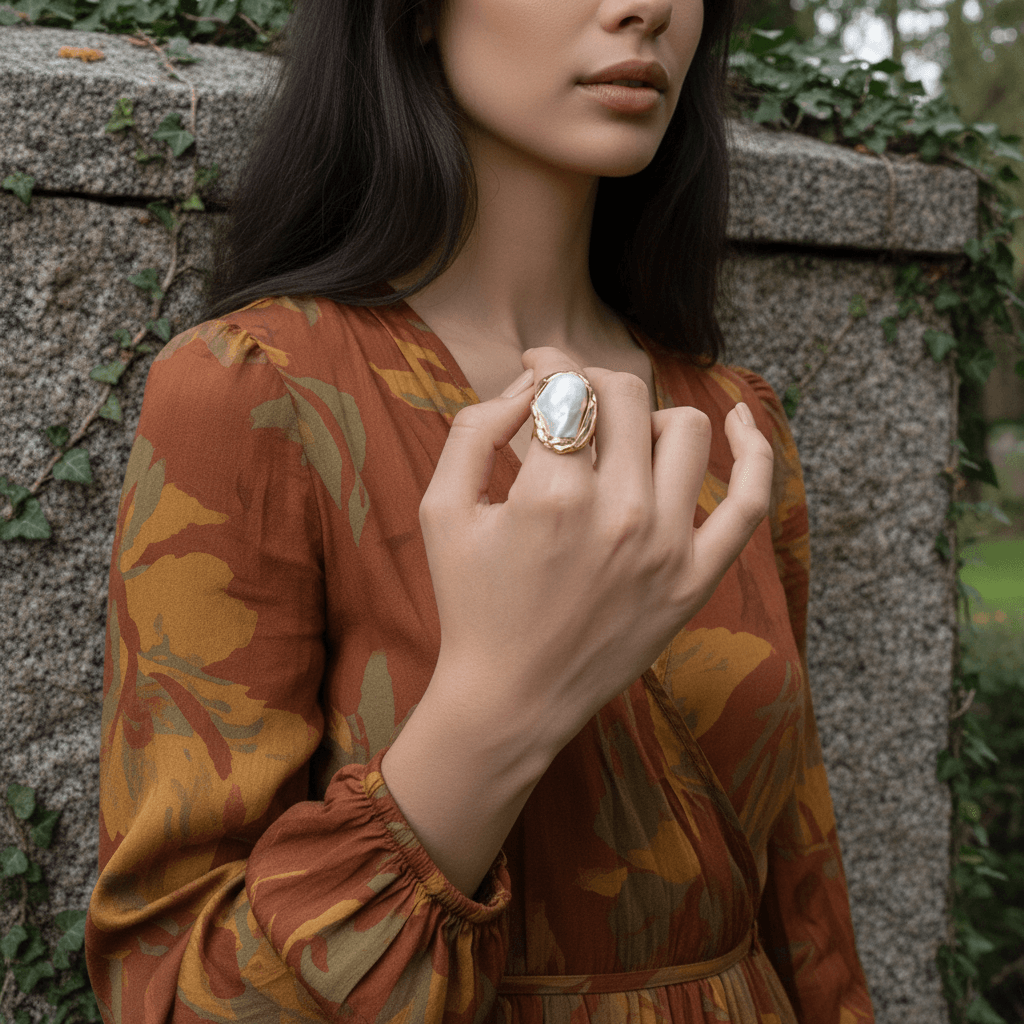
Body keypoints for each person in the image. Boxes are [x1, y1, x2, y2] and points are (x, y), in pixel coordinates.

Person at [85, 0, 877, 1020]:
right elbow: (172, 988)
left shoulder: (730, 423)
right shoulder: (258, 391)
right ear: (412, 15)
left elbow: (805, 909)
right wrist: (498, 706)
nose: (643, 8)